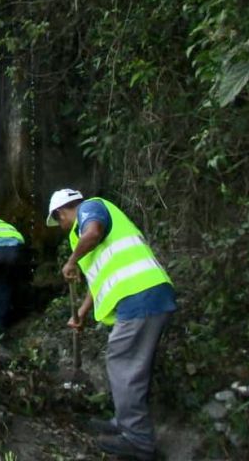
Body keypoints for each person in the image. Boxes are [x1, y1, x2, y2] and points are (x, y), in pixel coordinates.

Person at [47, 188, 176, 461]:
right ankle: (124, 422)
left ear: (61, 212)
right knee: (128, 362)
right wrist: (81, 312)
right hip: (145, 294)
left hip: (140, 294)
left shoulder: (90, 209)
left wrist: (71, 261)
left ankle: (138, 440)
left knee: (123, 361)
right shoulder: (83, 237)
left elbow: (92, 233)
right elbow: (100, 279)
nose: (61, 226)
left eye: (58, 221)